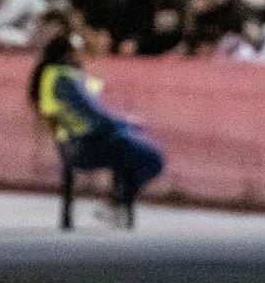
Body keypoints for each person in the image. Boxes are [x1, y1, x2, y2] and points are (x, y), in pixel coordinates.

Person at [27, 26, 165, 222]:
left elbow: (95, 99)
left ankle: (118, 203)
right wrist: (125, 124)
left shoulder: (55, 76)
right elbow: (93, 114)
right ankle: (118, 203)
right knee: (151, 156)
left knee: (127, 145)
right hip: (83, 143)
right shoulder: (64, 77)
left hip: (73, 143)